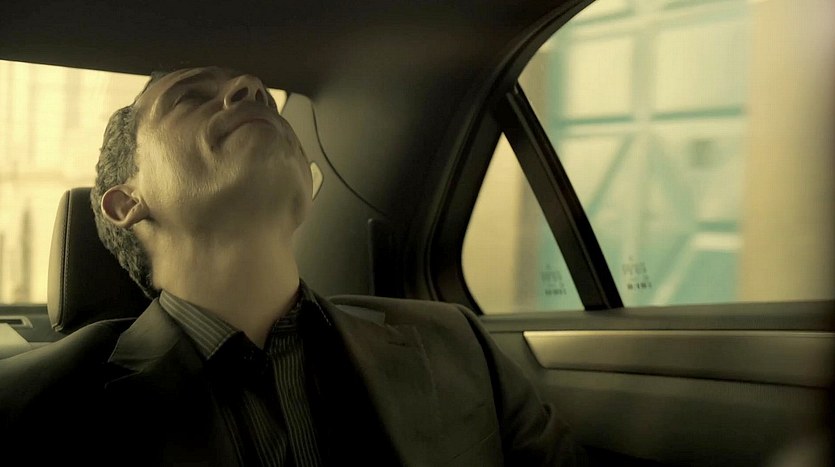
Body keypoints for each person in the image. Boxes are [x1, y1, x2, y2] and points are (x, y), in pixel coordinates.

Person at [0, 67, 583, 466]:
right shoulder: (36, 409)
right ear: (126, 202)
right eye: (189, 98)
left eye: (258, 94)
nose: (251, 87)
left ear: (308, 179)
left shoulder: (455, 343)